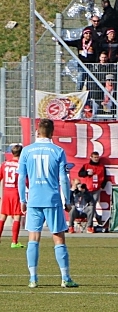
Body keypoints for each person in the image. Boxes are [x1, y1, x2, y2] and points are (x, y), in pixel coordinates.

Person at [18, 119, 77, 288]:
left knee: (33, 238)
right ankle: (65, 278)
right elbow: (64, 179)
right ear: (52, 133)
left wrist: (23, 199)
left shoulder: (27, 151)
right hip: (52, 199)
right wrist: (67, 200)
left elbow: (22, 178)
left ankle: (33, 278)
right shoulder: (58, 151)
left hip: (34, 199)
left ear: (37, 132)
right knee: (58, 237)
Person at [0, 144, 24, 248]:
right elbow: (24, 180)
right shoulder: (21, 164)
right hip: (16, 192)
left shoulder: (4, 164)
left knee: (3, 216)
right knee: (17, 216)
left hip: (6, 192)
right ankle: (14, 242)